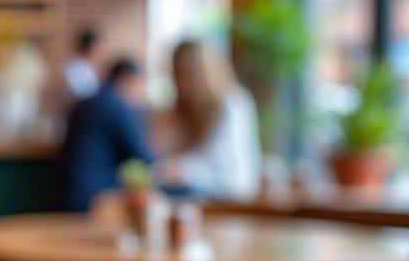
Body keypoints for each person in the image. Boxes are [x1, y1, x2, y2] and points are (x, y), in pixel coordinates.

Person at [154, 40, 261, 198]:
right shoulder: (187, 109)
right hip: (198, 195)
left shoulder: (233, 104)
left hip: (230, 197)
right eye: (174, 74)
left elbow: (231, 174)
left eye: (183, 74)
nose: (178, 83)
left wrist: (183, 170)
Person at [58, 57, 155, 212]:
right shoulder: (117, 105)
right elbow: (142, 155)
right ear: (126, 80)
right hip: (93, 199)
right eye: (138, 85)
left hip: (64, 192)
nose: (138, 94)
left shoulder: (84, 102)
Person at [62, 28, 101, 102]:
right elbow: (76, 93)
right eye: (96, 47)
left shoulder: (89, 66)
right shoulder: (74, 67)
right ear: (88, 47)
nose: (99, 50)